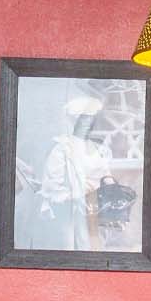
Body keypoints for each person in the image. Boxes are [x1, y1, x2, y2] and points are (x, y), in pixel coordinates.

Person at [30, 95, 103, 250]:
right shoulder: (61, 148)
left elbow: (98, 171)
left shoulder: (92, 146)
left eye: (90, 120)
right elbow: (52, 182)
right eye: (83, 120)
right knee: (66, 242)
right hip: (67, 203)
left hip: (88, 202)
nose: (87, 124)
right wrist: (69, 195)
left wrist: (105, 180)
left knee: (86, 242)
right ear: (74, 121)